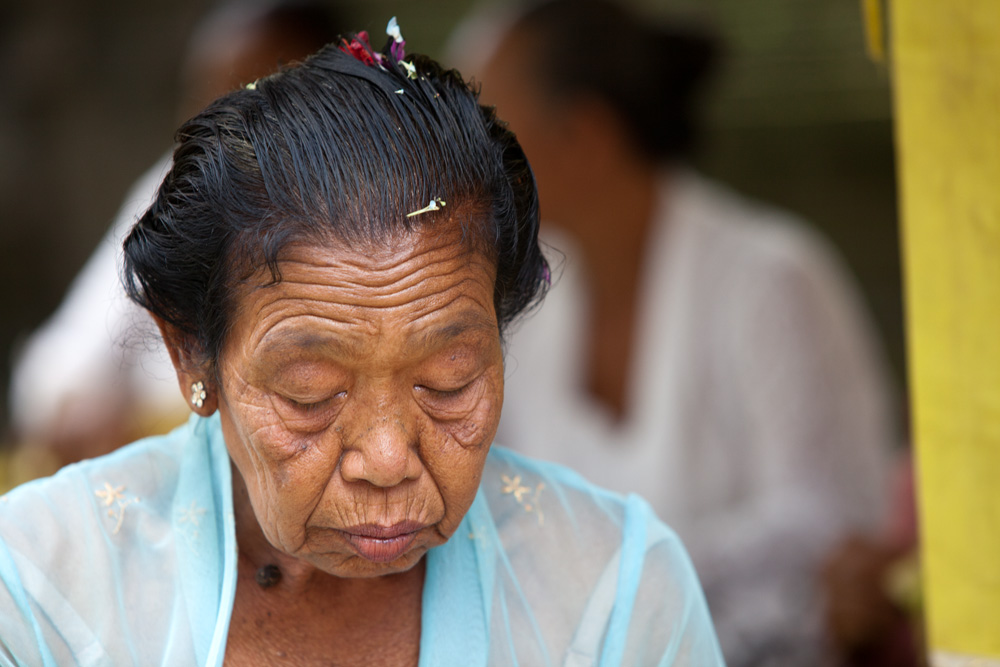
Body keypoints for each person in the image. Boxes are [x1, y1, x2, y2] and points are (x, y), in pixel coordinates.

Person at [0, 24, 724, 665]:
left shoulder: (613, 592)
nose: (386, 459)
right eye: (311, 391)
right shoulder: (42, 588)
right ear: (194, 356)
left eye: (449, 379)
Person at [471, 1, 896, 664]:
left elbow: (827, 525)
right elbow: (508, 509)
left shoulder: (770, 280)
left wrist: (606, 571)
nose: (462, 165)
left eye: (487, 131)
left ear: (584, 133)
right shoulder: (529, 307)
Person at [6, 0, 345, 474]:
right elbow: (55, 374)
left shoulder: (367, 214)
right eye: (209, 94)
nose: (224, 120)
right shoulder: (170, 192)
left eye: (254, 92)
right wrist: (83, 408)